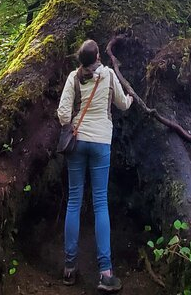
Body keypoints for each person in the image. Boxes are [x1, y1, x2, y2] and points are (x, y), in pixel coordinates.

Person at [56, 39, 133, 292]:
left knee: (74, 201)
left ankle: (69, 268)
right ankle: (106, 272)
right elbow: (122, 104)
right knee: (100, 203)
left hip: (77, 143)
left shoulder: (73, 77)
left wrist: (73, 124)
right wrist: (131, 98)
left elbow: (64, 114)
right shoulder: (109, 74)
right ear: (98, 55)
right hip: (101, 143)